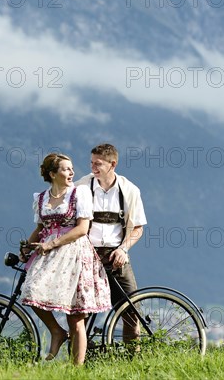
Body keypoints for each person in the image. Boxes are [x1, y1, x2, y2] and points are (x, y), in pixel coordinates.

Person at [20, 153, 111, 365]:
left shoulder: (79, 194)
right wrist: (27, 246)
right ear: (52, 174)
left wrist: (52, 243)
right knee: (31, 290)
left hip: (75, 254)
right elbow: (40, 229)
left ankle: (75, 371)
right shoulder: (41, 198)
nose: (71, 172)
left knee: (76, 316)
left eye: (71, 168)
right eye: (65, 169)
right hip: (49, 256)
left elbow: (82, 229)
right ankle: (56, 332)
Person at [75, 143, 147, 342]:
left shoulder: (130, 190)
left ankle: (133, 360)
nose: (93, 168)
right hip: (87, 256)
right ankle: (81, 362)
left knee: (132, 310)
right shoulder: (82, 187)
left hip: (117, 255)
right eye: (91, 163)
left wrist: (123, 249)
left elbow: (138, 227)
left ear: (112, 164)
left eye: (98, 164)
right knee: (82, 311)